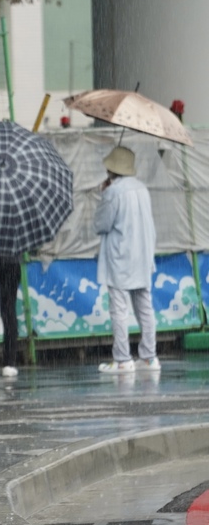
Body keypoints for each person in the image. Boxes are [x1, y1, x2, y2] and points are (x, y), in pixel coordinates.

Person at [94, 145, 159, 374]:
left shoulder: (113, 192)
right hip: (142, 254)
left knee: (119, 310)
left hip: (120, 258)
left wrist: (103, 195)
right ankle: (149, 357)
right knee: (145, 307)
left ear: (112, 169)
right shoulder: (142, 189)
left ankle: (123, 359)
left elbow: (101, 224)